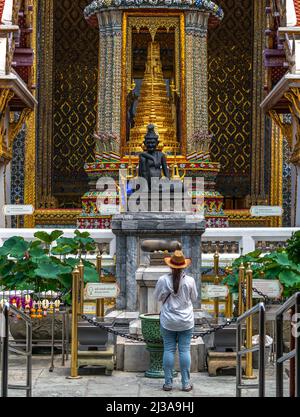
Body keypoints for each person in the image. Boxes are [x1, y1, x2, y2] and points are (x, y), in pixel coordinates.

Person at [153, 250, 198, 392]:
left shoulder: (163, 280)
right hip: (186, 320)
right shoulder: (190, 281)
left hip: (168, 320)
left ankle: (168, 383)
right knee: (185, 350)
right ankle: (185, 384)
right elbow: (194, 298)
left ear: (170, 265)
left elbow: (157, 298)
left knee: (169, 350)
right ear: (184, 266)